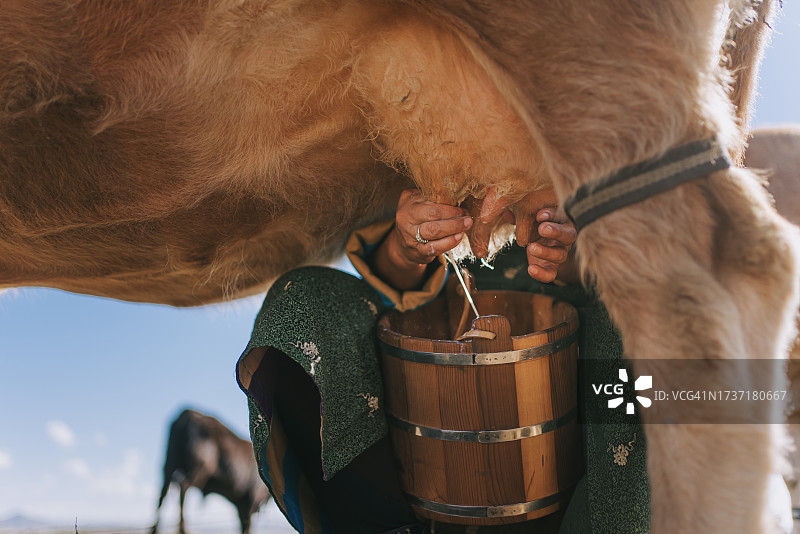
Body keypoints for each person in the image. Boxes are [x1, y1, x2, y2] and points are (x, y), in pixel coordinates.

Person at [235, 189, 648, 534]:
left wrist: (577, 256)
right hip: (433, 346)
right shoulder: (428, 113)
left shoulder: (616, 110)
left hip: (578, 352)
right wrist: (409, 245)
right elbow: (392, 276)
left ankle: (611, 516)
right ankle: (390, 523)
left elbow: (663, 249)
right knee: (302, 300)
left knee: (640, 346)